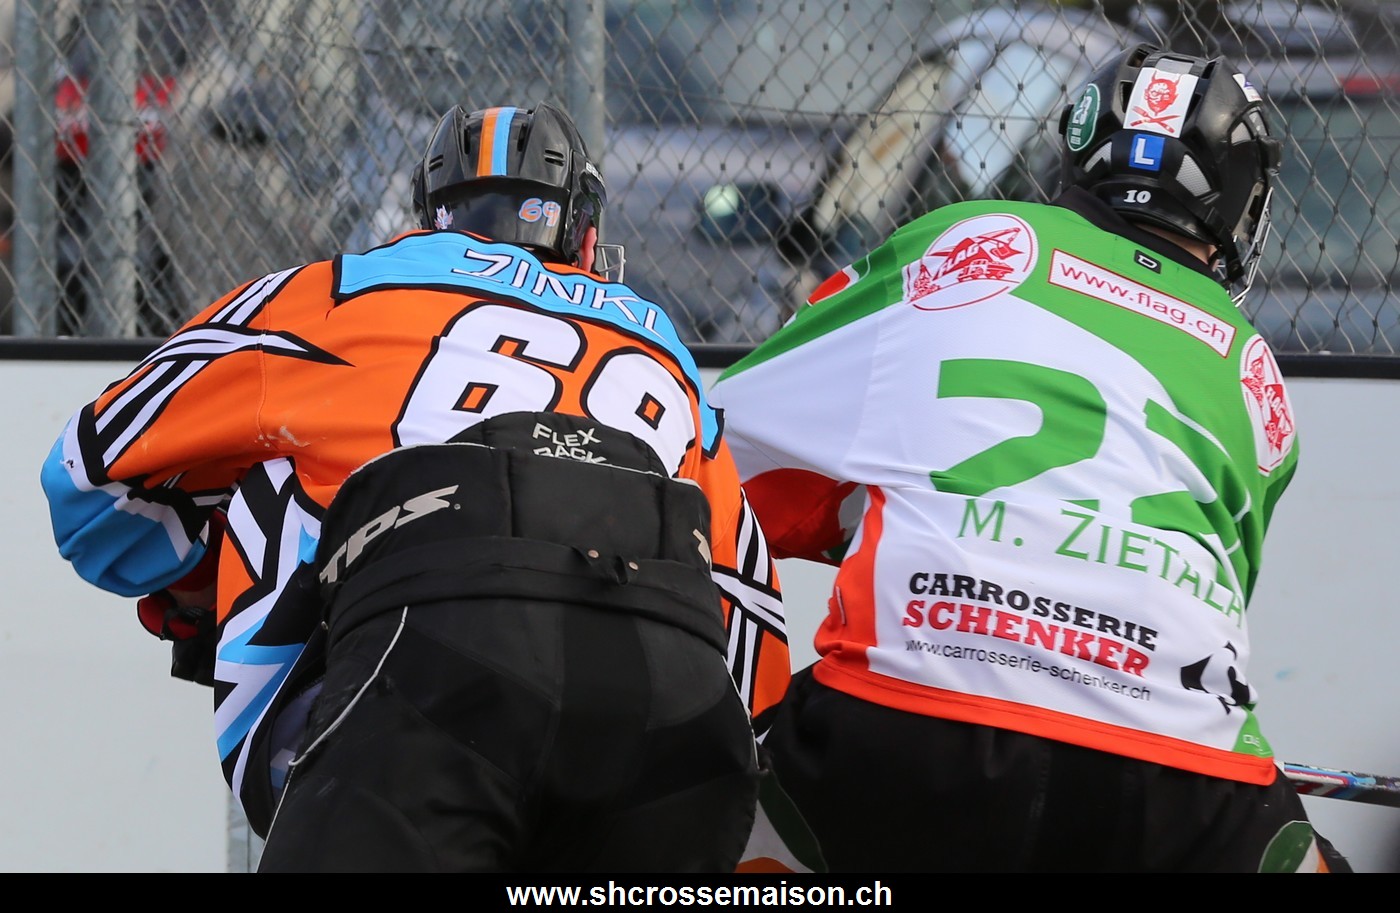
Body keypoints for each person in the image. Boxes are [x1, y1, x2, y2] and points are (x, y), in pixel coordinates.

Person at [40, 101, 791, 872]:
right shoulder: (662, 346)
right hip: (667, 704)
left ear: (429, 219)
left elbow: (86, 475)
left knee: (275, 471)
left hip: (433, 664)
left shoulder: (338, 292)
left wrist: (198, 568)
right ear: (588, 239)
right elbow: (753, 636)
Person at [708, 44, 1353, 873]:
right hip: (1176, 784)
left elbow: (719, 451)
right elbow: (1195, 607)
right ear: (1239, 206)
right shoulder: (1254, 373)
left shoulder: (978, 240)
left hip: (903, 734)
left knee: (697, 832)